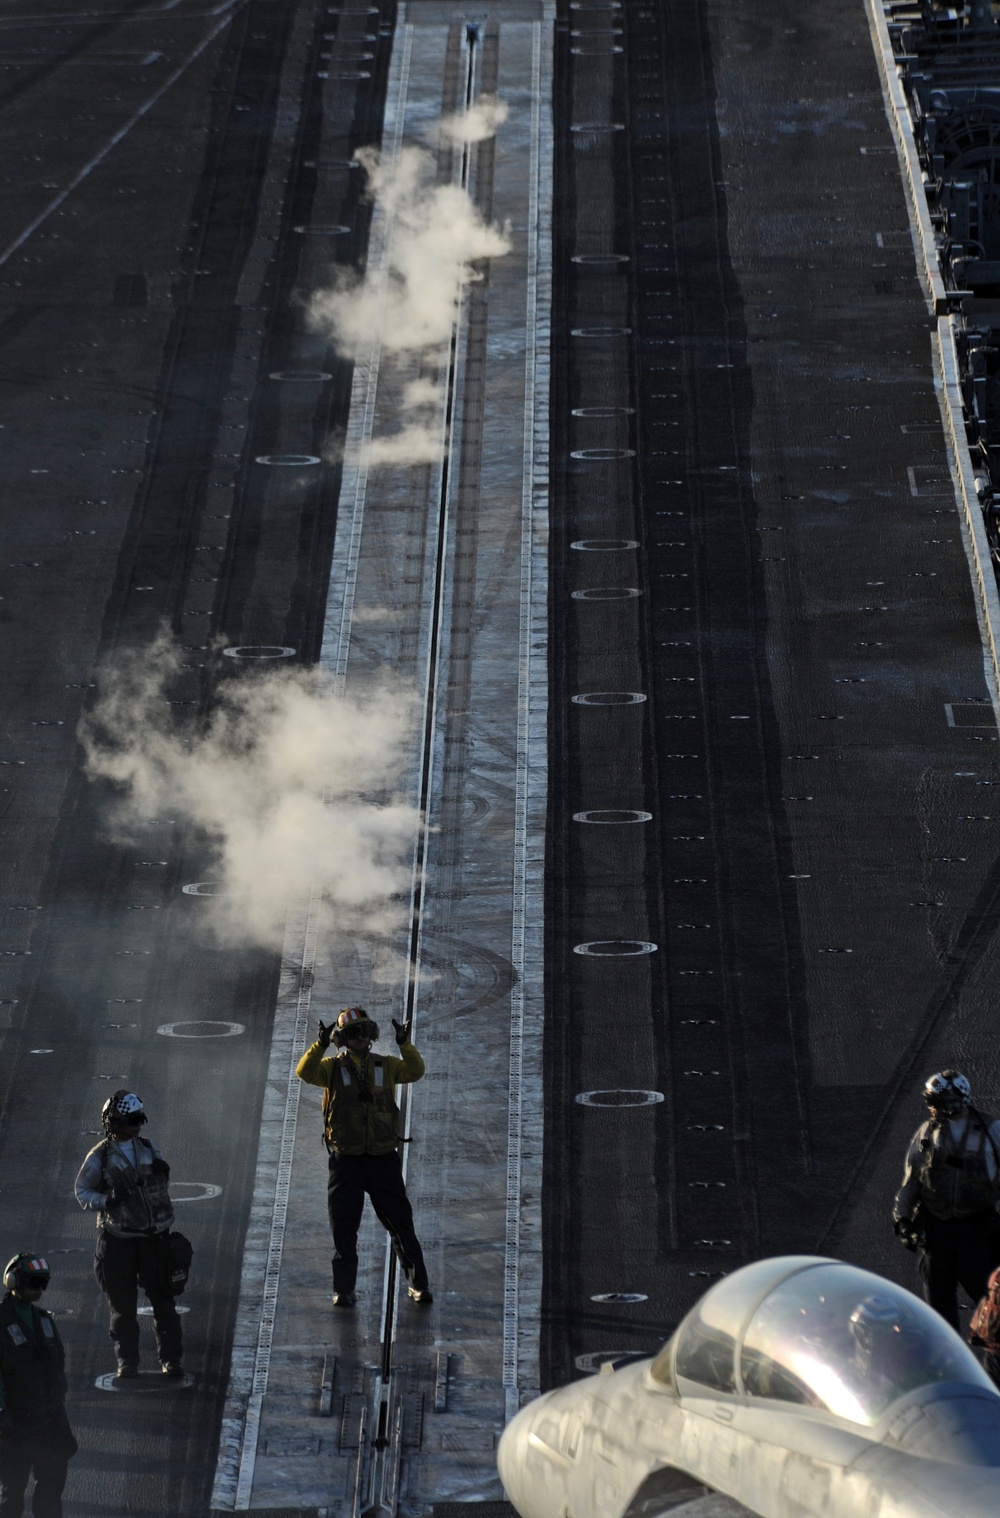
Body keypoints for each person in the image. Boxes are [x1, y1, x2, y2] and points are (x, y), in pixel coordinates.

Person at [296, 1007, 432, 1308]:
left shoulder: (387, 1064)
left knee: (401, 1226)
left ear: (371, 1034)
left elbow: (416, 1071)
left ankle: (419, 1285)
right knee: (343, 1230)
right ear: (342, 1039)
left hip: (382, 1159)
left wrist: (404, 1043)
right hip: (346, 1162)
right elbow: (304, 1073)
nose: (359, 1038)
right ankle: (343, 1290)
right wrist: (319, 1045)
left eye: (363, 1031)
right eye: (352, 1033)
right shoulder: (331, 1068)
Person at [74, 1090, 184, 1380]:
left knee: (164, 1304)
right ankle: (127, 1363)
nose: (137, 1126)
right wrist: (107, 1200)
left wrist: (163, 1172)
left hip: (154, 1238)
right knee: (123, 1308)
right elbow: (82, 1191)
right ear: (115, 1123)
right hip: (118, 1239)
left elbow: (161, 1184)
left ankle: (172, 1360)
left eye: (139, 1120)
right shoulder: (99, 1156)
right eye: (132, 1121)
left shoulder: (148, 1147)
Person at [893, 1069, 1000, 1330]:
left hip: (977, 1232)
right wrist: (902, 1219)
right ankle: (947, 1364)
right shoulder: (927, 1133)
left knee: (992, 1305)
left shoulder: (990, 1130)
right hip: (936, 1234)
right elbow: (912, 1180)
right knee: (940, 1312)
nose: (934, 1107)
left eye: (939, 1101)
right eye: (932, 1101)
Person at [0, 1254, 78, 1518]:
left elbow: (57, 1362)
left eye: (44, 1282)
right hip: (15, 1424)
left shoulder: (44, 1319)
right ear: (14, 1281)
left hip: (51, 1421)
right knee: (11, 1498)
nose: (40, 1289)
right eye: (35, 1282)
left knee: (51, 1495)